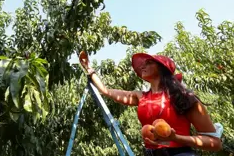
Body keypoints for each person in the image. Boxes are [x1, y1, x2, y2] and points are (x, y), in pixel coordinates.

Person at [79, 52, 222, 156]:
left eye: (149, 62)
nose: (143, 66)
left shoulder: (183, 98)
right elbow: (105, 91)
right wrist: (89, 69)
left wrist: (175, 138)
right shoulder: (141, 97)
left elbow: (215, 143)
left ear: (162, 68)